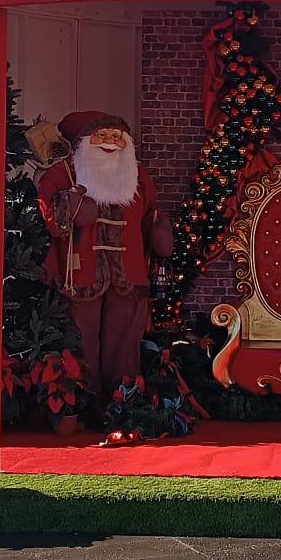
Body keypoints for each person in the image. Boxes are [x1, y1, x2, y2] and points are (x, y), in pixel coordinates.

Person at [35, 111, 174, 399]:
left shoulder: (138, 177)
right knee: (80, 341)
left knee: (125, 344)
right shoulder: (64, 174)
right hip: (81, 276)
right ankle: (83, 402)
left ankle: (122, 402)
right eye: (102, 136)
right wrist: (70, 205)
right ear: (85, 141)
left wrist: (159, 233)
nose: (110, 142)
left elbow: (150, 214)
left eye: (116, 136)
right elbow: (50, 217)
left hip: (128, 275)